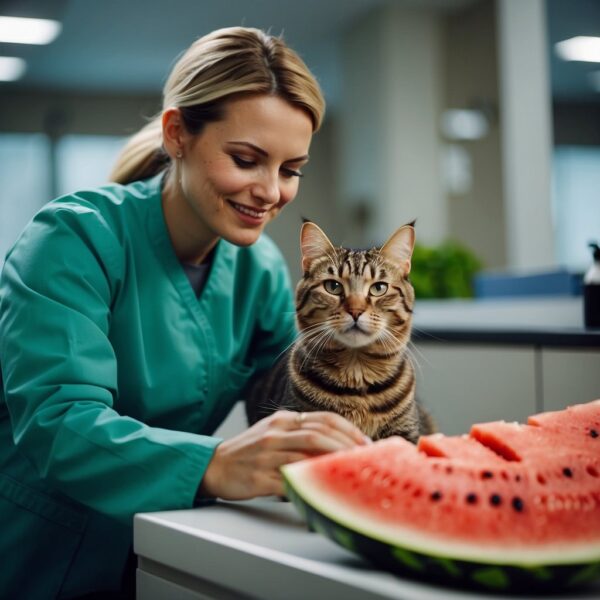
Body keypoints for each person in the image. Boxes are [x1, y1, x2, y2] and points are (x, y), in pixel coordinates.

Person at [0, 27, 368, 599]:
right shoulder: (72, 237)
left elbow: (293, 397)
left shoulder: (260, 274)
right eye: (247, 159)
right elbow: (58, 424)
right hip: (41, 553)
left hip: (162, 546)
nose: (270, 191)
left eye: (291, 169)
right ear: (177, 135)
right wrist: (216, 465)